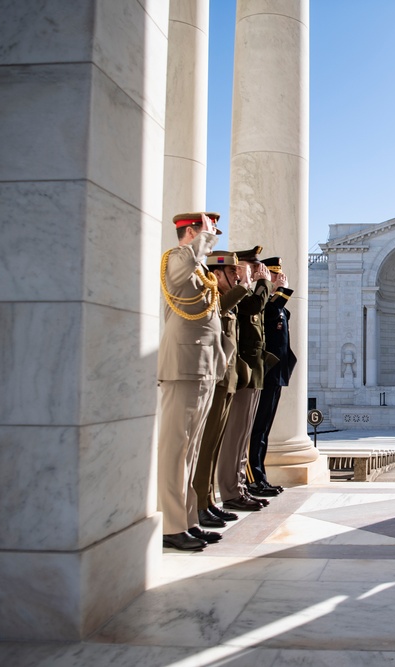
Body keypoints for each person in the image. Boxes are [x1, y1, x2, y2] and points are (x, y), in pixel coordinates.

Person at [156, 212, 225, 551]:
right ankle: (170, 526)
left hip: (202, 365)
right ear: (193, 231)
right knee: (175, 448)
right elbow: (184, 269)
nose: (213, 239)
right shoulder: (177, 260)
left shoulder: (199, 268)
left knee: (191, 448)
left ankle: (187, 520)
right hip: (183, 365)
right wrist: (203, 240)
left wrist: (220, 362)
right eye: (209, 231)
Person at [189, 251, 255, 540]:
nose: (238, 278)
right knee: (205, 447)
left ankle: (207, 501)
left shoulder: (222, 301)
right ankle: (200, 504)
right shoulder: (215, 299)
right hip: (214, 379)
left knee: (214, 445)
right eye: (232, 274)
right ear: (217, 274)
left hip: (226, 380)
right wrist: (245, 286)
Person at [217, 247, 274, 512]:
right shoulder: (239, 294)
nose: (260, 271)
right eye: (255, 267)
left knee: (243, 435)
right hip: (240, 370)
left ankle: (238, 487)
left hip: (254, 370)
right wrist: (262, 283)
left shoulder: (245, 293)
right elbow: (253, 307)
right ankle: (231, 490)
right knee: (235, 436)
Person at [247, 257, 296, 498]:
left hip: (274, 374)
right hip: (264, 374)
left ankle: (260, 477)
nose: (282, 279)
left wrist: (278, 294)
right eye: (277, 276)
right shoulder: (265, 305)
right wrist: (274, 291)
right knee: (256, 430)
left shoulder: (276, 306)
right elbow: (267, 316)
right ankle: (253, 478)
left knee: (263, 430)